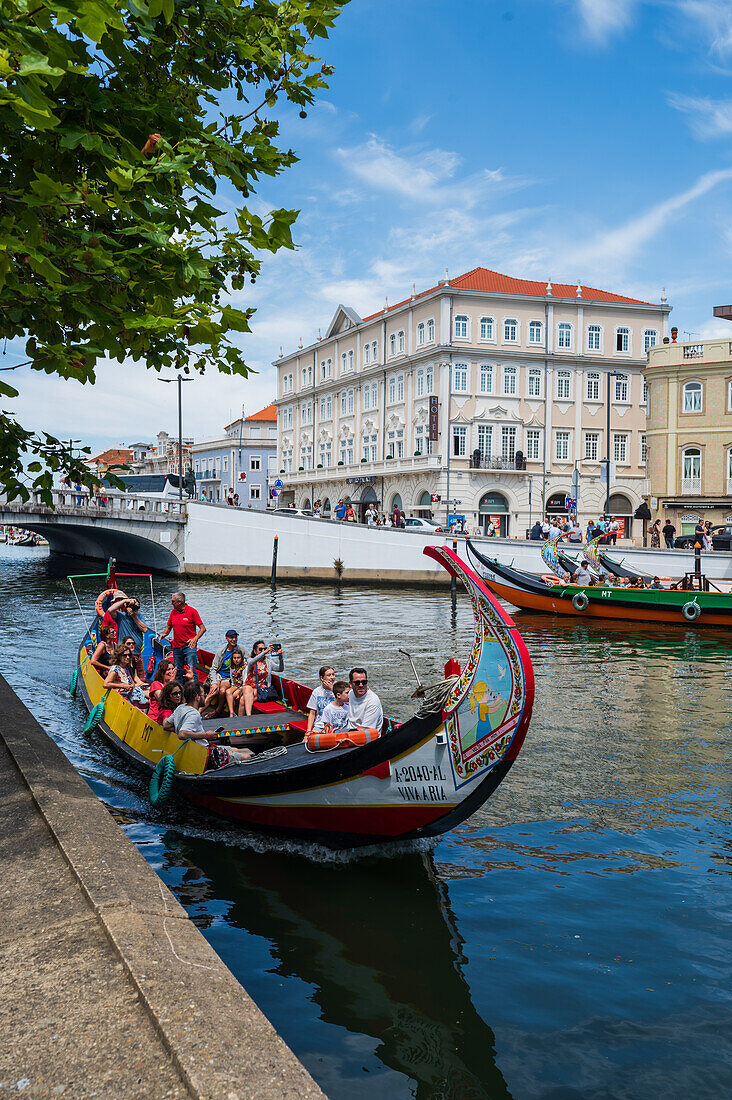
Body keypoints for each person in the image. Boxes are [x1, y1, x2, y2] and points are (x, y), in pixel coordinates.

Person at [164, 681, 254, 765]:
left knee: (236, 750)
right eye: (203, 694)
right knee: (247, 757)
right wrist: (206, 735)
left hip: (202, 748)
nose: (204, 696)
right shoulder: (193, 714)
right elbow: (182, 734)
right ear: (197, 697)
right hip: (203, 754)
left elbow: (166, 725)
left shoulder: (181, 707)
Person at [159, 592, 206, 682]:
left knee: (191, 670)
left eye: (173, 601)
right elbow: (169, 627)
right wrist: (164, 634)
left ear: (180, 602)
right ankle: (179, 690)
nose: (171, 603)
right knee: (178, 671)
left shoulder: (192, 611)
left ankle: (194, 689)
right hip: (176, 646)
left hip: (189, 646)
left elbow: (202, 628)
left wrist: (195, 639)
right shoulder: (173, 612)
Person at [242, 640, 285, 716]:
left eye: (264, 648)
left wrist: (280, 657)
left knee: (243, 699)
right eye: (260, 649)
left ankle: (243, 717)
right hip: (251, 687)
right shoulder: (250, 661)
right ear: (255, 651)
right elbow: (251, 662)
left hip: (263, 690)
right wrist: (265, 652)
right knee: (247, 689)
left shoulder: (268, 662)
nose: (263, 650)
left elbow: (280, 669)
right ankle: (248, 716)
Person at [205, 629, 241, 713]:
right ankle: (198, 711)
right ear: (226, 639)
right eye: (231, 638)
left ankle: (218, 710)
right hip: (219, 675)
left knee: (222, 691)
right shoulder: (221, 652)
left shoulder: (240, 649)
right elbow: (213, 668)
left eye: (235, 637)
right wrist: (214, 682)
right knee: (214, 691)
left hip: (228, 677)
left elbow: (249, 660)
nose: (234, 639)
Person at [347, 667, 383, 732]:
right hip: (350, 731)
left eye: (364, 682)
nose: (361, 685)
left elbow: (365, 730)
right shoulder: (351, 693)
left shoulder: (372, 701)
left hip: (365, 737)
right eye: (357, 683)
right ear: (350, 684)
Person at [306, 666, 336, 733]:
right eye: (329, 675)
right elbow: (312, 713)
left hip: (335, 726)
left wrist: (332, 689)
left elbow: (346, 701)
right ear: (322, 678)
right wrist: (308, 731)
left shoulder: (338, 690)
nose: (332, 677)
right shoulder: (317, 691)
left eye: (333, 674)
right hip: (320, 726)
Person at [147, 658, 175, 724]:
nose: (171, 672)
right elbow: (162, 698)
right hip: (155, 720)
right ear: (162, 672)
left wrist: (191, 679)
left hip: (170, 719)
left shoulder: (175, 686)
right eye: (168, 669)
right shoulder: (156, 684)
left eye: (173, 669)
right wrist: (170, 682)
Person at [224, 648, 246, 717]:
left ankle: (233, 714)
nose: (236, 660)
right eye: (235, 658)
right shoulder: (232, 666)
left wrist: (239, 692)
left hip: (242, 686)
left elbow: (245, 681)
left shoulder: (244, 667)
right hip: (235, 685)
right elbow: (232, 680)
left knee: (232, 696)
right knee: (228, 692)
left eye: (238, 658)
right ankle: (231, 713)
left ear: (241, 658)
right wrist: (233, 688)